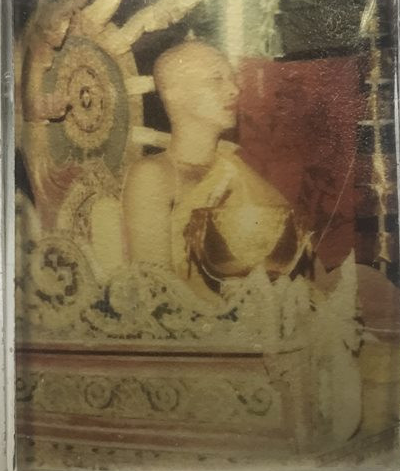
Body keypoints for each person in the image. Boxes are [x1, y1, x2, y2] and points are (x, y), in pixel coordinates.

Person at [122, 41, 305, 296]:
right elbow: (153, 291)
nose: (234, 90)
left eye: (232, 78)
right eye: (216, 79)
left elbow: (292, 254)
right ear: (175, 93)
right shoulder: (154, 175)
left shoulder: (234, 166)